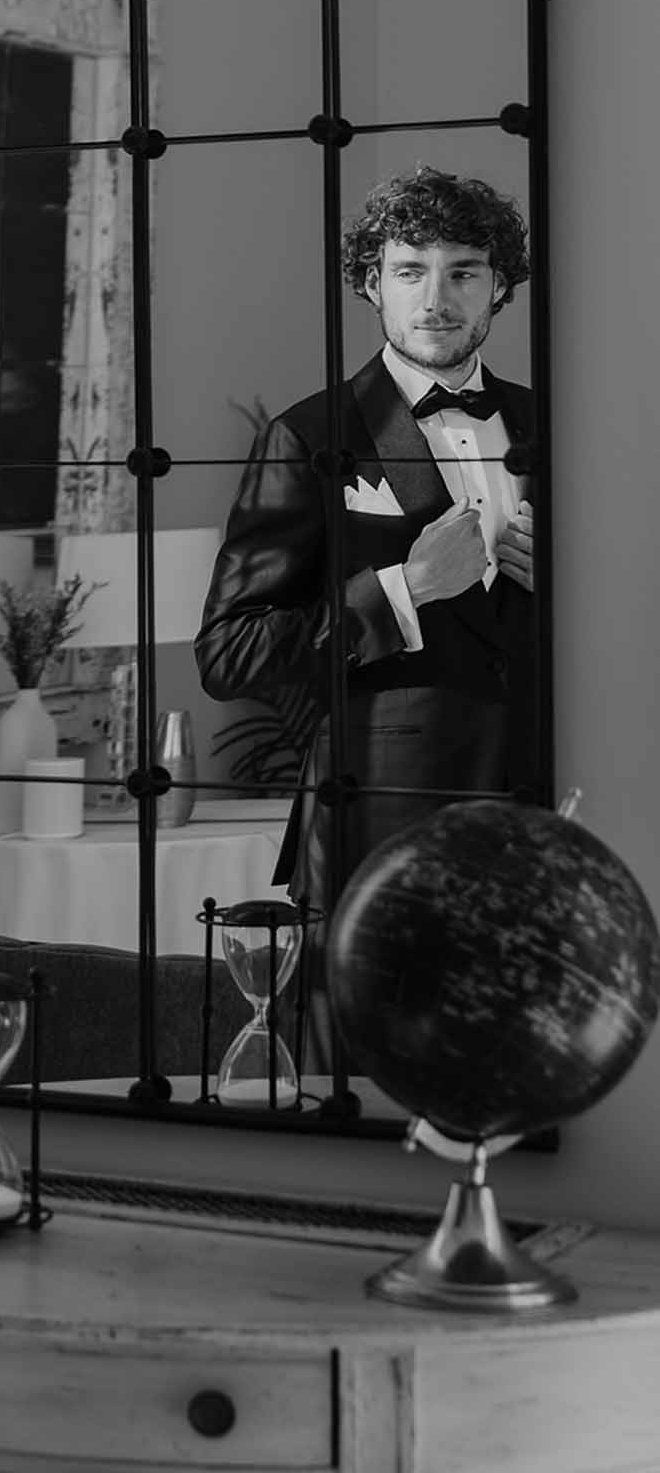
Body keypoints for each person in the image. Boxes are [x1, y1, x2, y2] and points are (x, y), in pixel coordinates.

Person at [195, 164, 536, 919]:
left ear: (499, 287)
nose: (437, 299)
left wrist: (580, 585)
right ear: (373, 285)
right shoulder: (307, 436)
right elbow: (227, 654)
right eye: (410, 271)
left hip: (545, 827)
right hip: (378, 831)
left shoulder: (555, 421)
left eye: (464, 272)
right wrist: (405, 589)